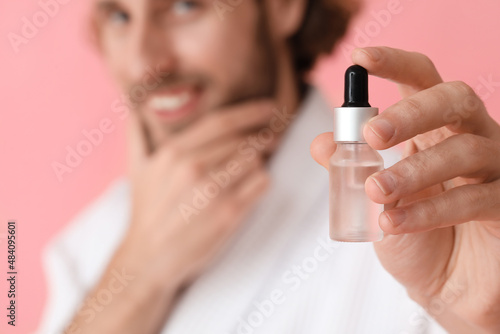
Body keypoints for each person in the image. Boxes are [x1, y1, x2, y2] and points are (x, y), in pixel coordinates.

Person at [37, 0, 500, 333]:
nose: (144, 63)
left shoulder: (431, 223)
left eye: (183, 6)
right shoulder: (87, 247)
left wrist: (482, 319)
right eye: (119, 15)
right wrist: (137, 276)